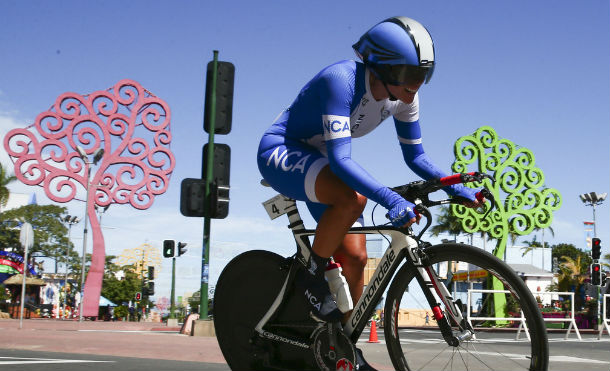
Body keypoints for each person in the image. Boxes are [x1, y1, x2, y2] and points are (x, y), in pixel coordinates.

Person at [257, 16, 483, 370]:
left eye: (424, 75)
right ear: (383, 67)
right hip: (282, 150)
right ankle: (310, 278)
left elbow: (417, 157)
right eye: (411, 75)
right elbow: (342, 160)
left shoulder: (403, 98)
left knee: (357, 259)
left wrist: (456, 186)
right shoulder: (342, 80)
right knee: (351, 198)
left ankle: (340, 348)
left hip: (319, 160)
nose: (417, 84)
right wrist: (391, 199)